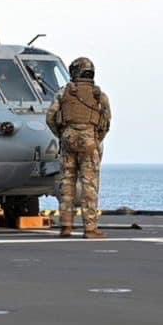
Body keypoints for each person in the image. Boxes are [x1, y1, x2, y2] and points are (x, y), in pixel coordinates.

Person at [46, 57, 111, 238]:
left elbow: (50, 117)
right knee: (89, 185)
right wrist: (96, 139)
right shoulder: (99, 95)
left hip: (68, 140)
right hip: (89, 141)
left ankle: (66, 227)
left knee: (67, 184)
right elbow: (106, 121)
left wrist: (62, 134)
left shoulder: (63, 93)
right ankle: (90, 229)